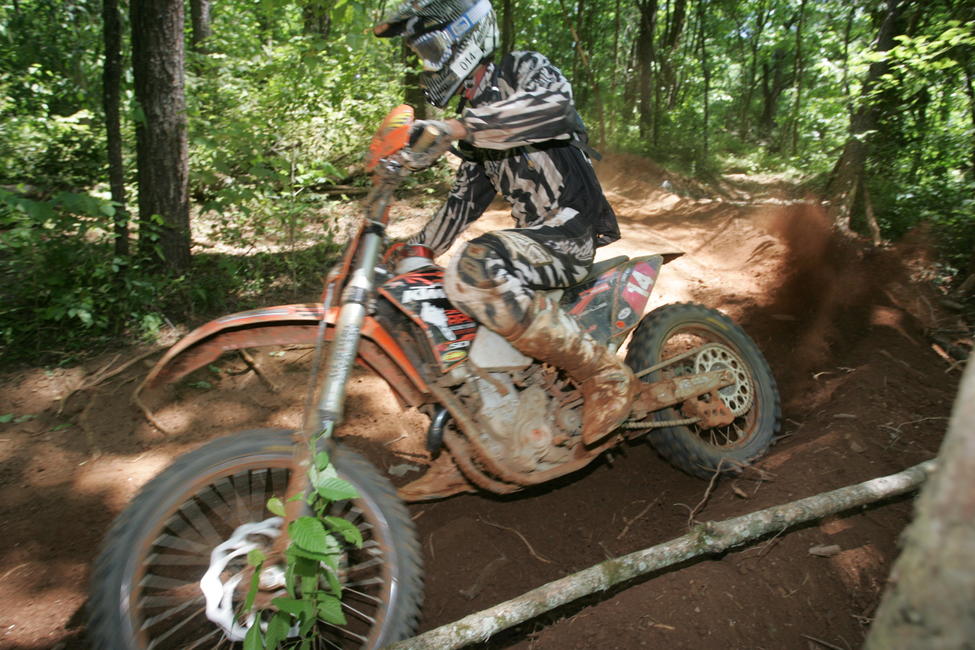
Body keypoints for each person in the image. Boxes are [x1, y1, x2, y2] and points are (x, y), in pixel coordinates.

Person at [374, 0, 636, 445]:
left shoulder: (522, 70)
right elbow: (461, 204)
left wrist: (458, 127)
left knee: (475, 264)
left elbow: (555, 109)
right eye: (422, 56)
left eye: (433, 50)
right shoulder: (472, 125)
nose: (430, 64)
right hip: (532, 242)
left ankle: (604, 374)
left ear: (465, 35)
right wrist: (411, 249)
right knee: (425, 297)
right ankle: (475, 437)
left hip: (568, 232)